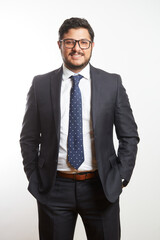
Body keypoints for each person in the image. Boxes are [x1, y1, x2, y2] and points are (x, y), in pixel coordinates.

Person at [20, 17, 139, 240]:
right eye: (70, 42)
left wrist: (120, 176)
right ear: (60, 45)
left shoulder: (111, 83)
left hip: (101, 187)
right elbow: (28, 138)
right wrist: (33, 175)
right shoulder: (40, 85)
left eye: (83, 42)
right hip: (54, 188)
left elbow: (129, 135)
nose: (77, 48)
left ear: (92, 46)